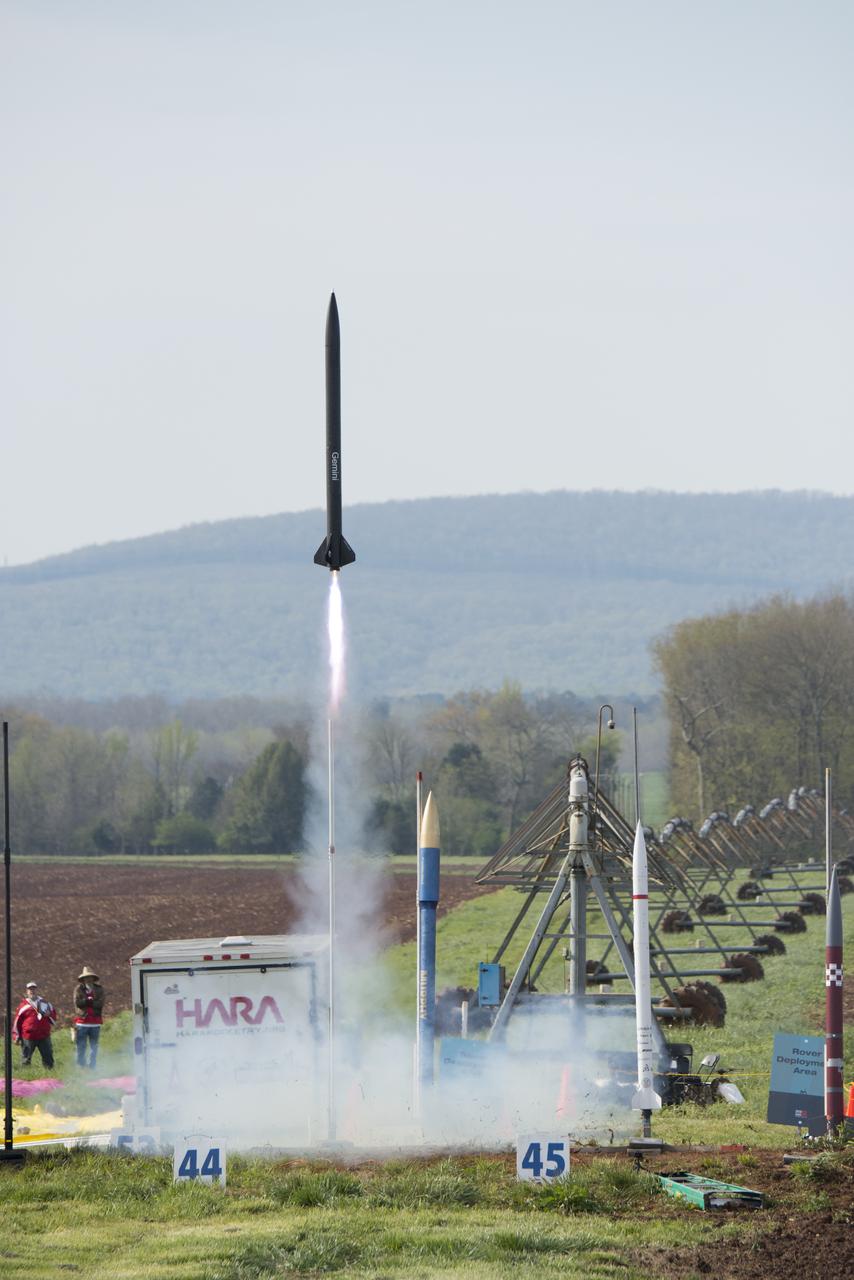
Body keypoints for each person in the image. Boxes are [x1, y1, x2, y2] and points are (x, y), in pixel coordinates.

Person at [12, 981, 57, 1068]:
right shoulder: (23, 1005)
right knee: (26, 1059)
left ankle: (49, 1073)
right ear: (27, 991)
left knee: (48, 1058)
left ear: (36, 990)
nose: (32, 991)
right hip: (28, 1036)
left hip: (44, 1035)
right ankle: (26, 1076)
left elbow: (53, 1015)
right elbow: (17, 1022)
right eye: (30, 989)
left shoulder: (45, 1003)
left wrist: (49, 1015)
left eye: (33, 989)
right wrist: (16, 1037)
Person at [74, 965, 105, 1069]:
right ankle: (81, 1066)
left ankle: (92, 1066)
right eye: (86, 977)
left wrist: (87, 1003)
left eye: (90, 977)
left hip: (95, 1023)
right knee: (81, 1046)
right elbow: (78, 1003)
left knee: (94, 1047)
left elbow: (100, 1003)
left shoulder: (99, 989)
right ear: (83, 979)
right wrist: (89, 1001)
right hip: (82, 1022)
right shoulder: (78, 989)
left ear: (93, 978)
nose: (88, 979)